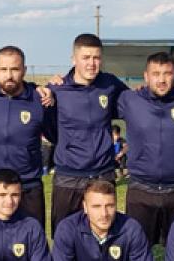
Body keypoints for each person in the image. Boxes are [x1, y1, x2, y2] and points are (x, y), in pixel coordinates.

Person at [115, 51, 174, 246]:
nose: (161, 80)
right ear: (146, 76)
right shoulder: (130, 100)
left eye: (167, 73)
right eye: (156, 74)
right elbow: (95, 94)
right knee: (137, 252)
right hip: (141, 192)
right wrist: (57, 85)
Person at [46, 33, 129, 235]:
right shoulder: (57, 89)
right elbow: (48, 129)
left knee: (103, 232)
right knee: (64, 234)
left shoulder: (110, 84)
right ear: (74, 59)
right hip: (69, 176)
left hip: (102, 174)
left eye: (96, 57)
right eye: (86, 57)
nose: (91, 64)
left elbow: (133, 103)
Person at [0, 45, 57, 226]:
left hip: (28, 187)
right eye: (4, 69)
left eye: (15, 69)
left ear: (24, 70)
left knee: (32, 241)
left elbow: (56, 136)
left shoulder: (39, 99)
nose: (9, 75)